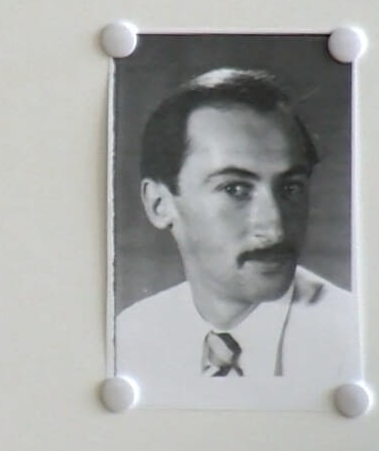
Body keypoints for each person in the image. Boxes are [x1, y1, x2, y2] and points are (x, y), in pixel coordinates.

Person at [115, 68, 356, 386]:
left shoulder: (354, 342)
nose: (275, 227)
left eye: (291, 188)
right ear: (159, 204)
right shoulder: (130, 339)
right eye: (235, 189)